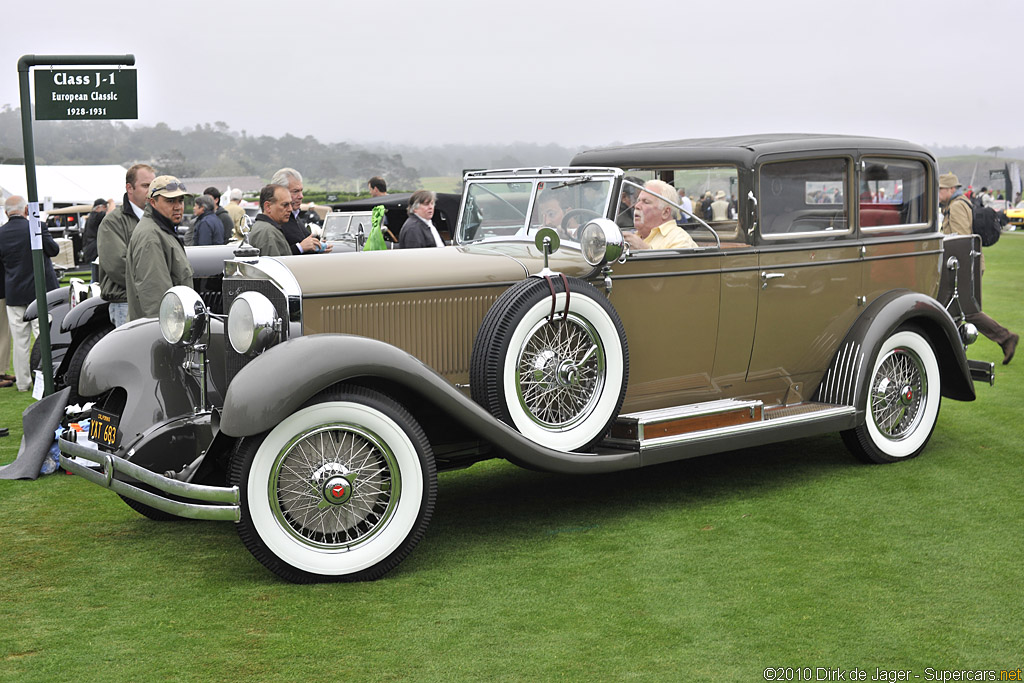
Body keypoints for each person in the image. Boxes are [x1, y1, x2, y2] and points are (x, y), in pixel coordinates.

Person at [939, 172, 1017, 364]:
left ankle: (1005, 338)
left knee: (965, 309)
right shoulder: (958, 204)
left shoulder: (956, 207)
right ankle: (952, 355)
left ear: (950, 189)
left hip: (963, 265)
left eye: (941, 189)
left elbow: (960, 239)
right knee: (956, 309)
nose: (938, 193)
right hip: (965, 264)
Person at [0, 196, 60, 391]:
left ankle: (24, 383)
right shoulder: (37, 227)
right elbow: (54, 250)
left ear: (7, 211)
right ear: (26, 209)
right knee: (43, 337)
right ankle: (46, 377)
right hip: (39, 292)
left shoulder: (1, 233)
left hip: (14, 292)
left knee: (20, 341)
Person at [125, 176, 194, 321]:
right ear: (153, 202)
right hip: (164, 332)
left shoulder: (161, 231)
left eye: (180, 200)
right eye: (170, 201)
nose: (178, 206)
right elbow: (156, 301)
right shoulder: (150, 236)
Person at [97, 163, 156, 327]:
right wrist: (152, 285)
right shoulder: (112, 222)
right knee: (132, 351)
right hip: (126, 301)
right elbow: (117, 265)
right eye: (145, 186)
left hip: (155, 301)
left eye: (153, 186)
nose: (151, 191)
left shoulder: (157, 220)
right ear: (129, 188)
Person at [624, 180, 698, 251]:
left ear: (665, 212)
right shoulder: (634, 236)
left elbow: (677, 264)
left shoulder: (680, 240)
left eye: (646, 202)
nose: (637, 206)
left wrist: (644, 250)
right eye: (638, 201)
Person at [270, 168, 328, 254]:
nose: (301, 196)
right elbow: (275, 257)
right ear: (280, 193)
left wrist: (317, 247)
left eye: (301, 191)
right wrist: (299, 248)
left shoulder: (295, 216)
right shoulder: (275, 223)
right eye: (295, 191)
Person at [247, 184, 296, 257]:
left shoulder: (264, 228)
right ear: (268, 206)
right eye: (285, 205)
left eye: (291, 204)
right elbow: (274, 266)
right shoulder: (268, 233)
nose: (290, 209)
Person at [80, 198, 109, 276]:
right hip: (94, 250)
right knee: (96, 277)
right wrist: (112, 202)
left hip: (90, 250)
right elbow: (111, 213)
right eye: (105, 206)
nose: (106, 208)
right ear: (98, 207)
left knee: (96, 276)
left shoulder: (92, 217)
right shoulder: (97, 216)